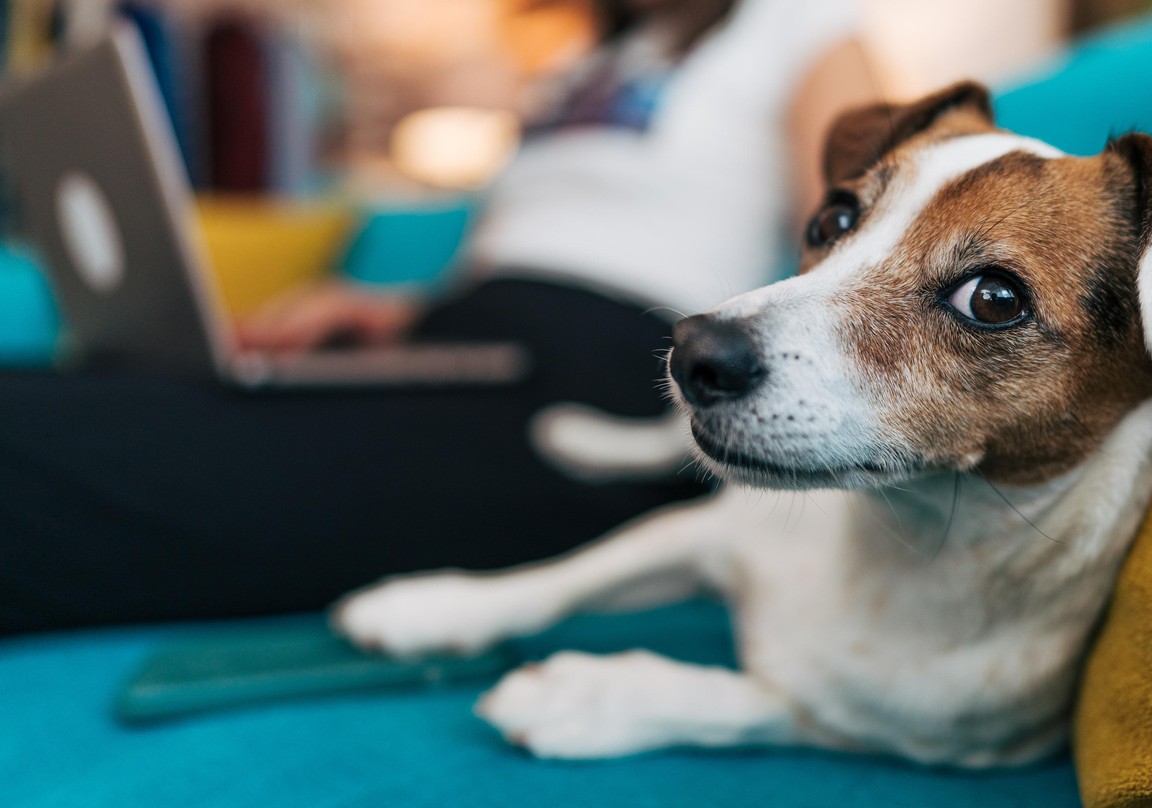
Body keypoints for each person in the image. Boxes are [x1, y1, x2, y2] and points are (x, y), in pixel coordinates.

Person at [0, 0, 877, 636]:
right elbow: (526, 245)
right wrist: (393, 311)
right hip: (465, 347)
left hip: (603, 391)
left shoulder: (802, 23)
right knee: (76, 392)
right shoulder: (588, 65)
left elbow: (868, 244)